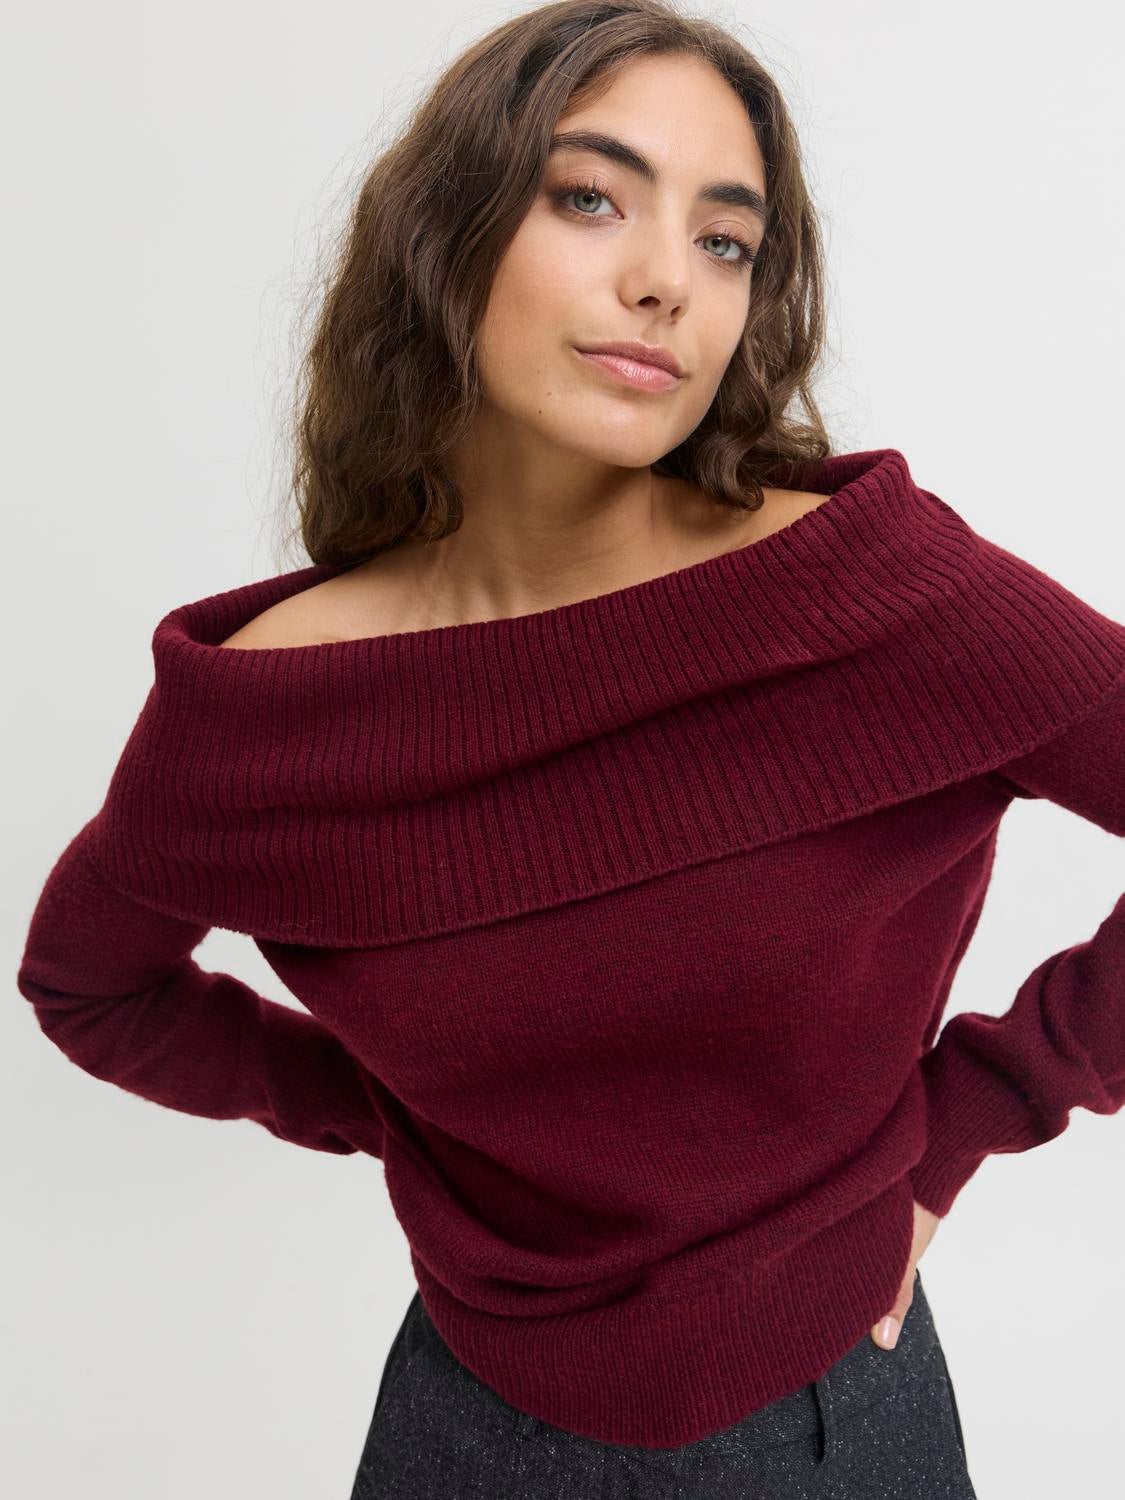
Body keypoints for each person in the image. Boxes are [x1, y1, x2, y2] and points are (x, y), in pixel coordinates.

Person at [16, 2, 1125, 1496]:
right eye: (590, 198)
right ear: (448, 236)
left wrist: (983, 1108)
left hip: (833, 1420)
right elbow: (89, 985)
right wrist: (399, 1121)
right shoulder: (262, 711)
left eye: (725, 240)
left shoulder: (869, 591)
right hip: (457, 1425)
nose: (666, 279)